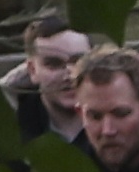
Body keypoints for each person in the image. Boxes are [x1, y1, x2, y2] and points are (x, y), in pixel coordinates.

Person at [9, 17, 92, 146]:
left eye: (79, 61)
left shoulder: (116, 120)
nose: (70, 75)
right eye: (54, 64)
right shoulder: (15, 124)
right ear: (32, 70)